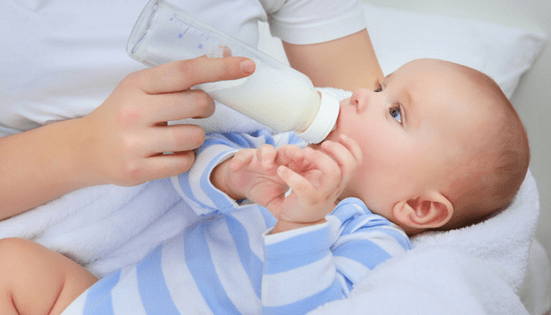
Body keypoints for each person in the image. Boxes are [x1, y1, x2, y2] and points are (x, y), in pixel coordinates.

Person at [0, 59, 530, 315]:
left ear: (418, 206)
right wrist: (230, 174)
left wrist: (300, 223)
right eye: (378, 84)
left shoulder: (369, 240)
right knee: (13, 264)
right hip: (98, 302)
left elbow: (309, 308)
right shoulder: (286, 147)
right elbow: (188, 169)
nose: (361, 97)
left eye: (395, 111)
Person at [0, 0, 383, 270]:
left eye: (388, 101)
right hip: (50, 238)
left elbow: (389, 163)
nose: (365, 95)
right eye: (382, 94)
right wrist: (82, 149)